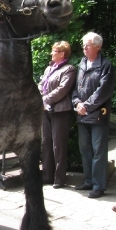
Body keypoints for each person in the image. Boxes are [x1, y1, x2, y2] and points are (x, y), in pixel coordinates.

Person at [71, 32, 116, 199]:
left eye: (88, 44)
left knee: (99, 151)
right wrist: (76, 103)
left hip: (98, 116)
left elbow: (103, 91)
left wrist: (87, 106)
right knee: (85, 150)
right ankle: (88, 181)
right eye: (83, 44)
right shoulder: (82, 63)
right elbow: (75, 88)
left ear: (98, 46)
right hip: (82, 115)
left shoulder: (106, 66)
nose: (84, 47)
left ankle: (99, 186)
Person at [38, 41, 76, 188]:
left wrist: (45, 99)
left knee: (58, 145)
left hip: (60, 111)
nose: (51, 53)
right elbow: (42, 84)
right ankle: (47, 175)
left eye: (54, 51)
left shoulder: (69, 69)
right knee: (46, 142)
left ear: (62, 54)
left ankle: (59, 178)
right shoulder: (49, 68)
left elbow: (62, 89)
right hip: (45, 110)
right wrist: (40, 96)